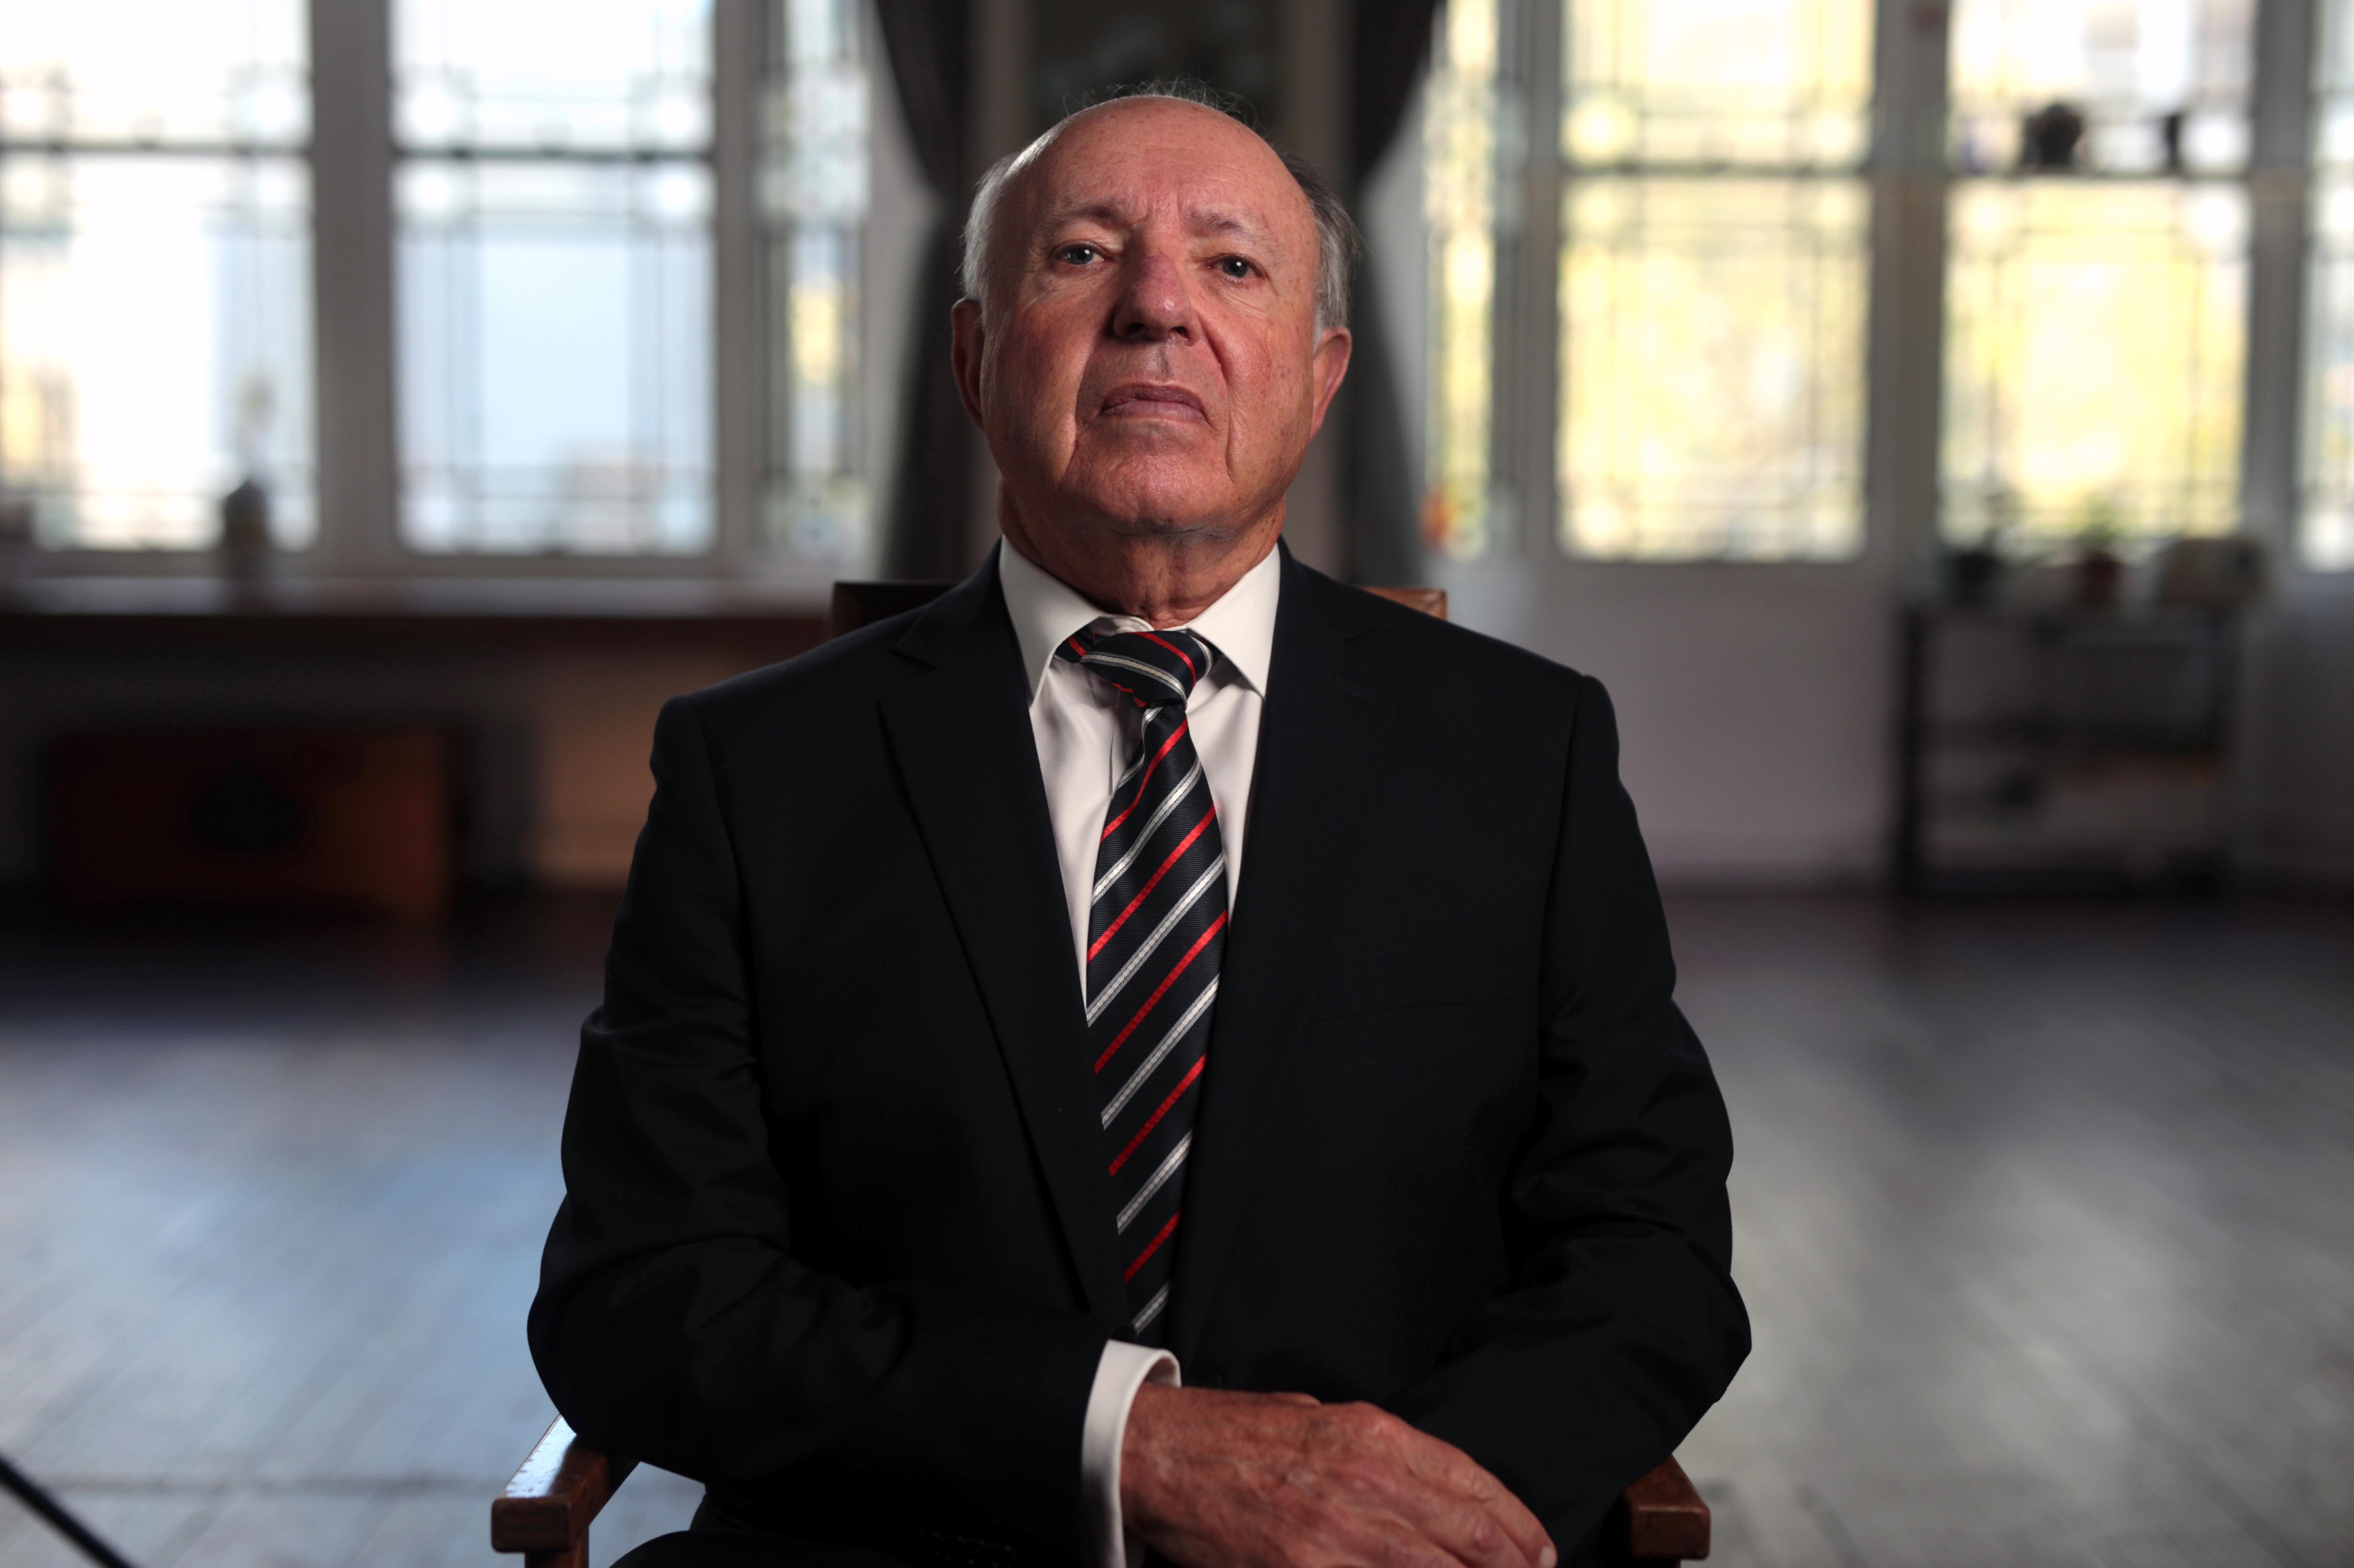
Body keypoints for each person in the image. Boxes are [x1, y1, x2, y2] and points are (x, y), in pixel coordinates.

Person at [531, 88, 1748, 1568]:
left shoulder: (1526, 753)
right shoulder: (757, 771)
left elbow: (1654, 1255)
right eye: (1084, 254)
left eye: (1233, 264)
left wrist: (1392, 1515)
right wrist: (1133, 1447)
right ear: (977, 362)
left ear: (1319, 377)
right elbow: (643, 1295)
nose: (1158, 307)